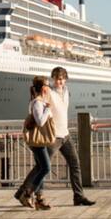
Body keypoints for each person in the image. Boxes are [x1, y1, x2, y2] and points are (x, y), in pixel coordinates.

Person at [15, 67, 96, 207]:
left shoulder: (66, 92)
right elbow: (36, 103)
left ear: (65, 79)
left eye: (61, 78)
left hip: (65, 134)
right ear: (53, 78)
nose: (59, 81)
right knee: (43, 167)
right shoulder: (49, 92)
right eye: (56, 78)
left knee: (75, 164)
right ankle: (28, 193)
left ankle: (78, 196)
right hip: (53, 136)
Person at [19, 76, 53, 210]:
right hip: (37, 141)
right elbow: (40, 121)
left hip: (38, 141)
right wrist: (48, 110)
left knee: (40, 168)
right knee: (46, 168)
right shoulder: (38, 103)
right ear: (44, 88)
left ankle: (39, 200)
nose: (49, 88)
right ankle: (27, 194)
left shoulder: (38, 102)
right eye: (48, 86)